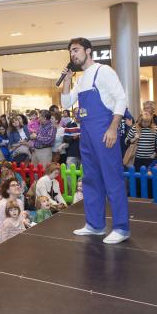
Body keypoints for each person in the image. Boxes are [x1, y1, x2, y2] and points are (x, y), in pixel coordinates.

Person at [61, 37, 130, 244]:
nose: (73, 54)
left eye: (76, 50)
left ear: (88, 50)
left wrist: (113, 128)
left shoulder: (104, 71)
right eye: (71, 51)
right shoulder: (82, 79)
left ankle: (121, 227)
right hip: (87, 134)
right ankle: (95, 224)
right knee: (91, 180)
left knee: (112, 179)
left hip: (104, 131)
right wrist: (66, 81)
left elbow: (121, 98)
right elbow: (66, 103)